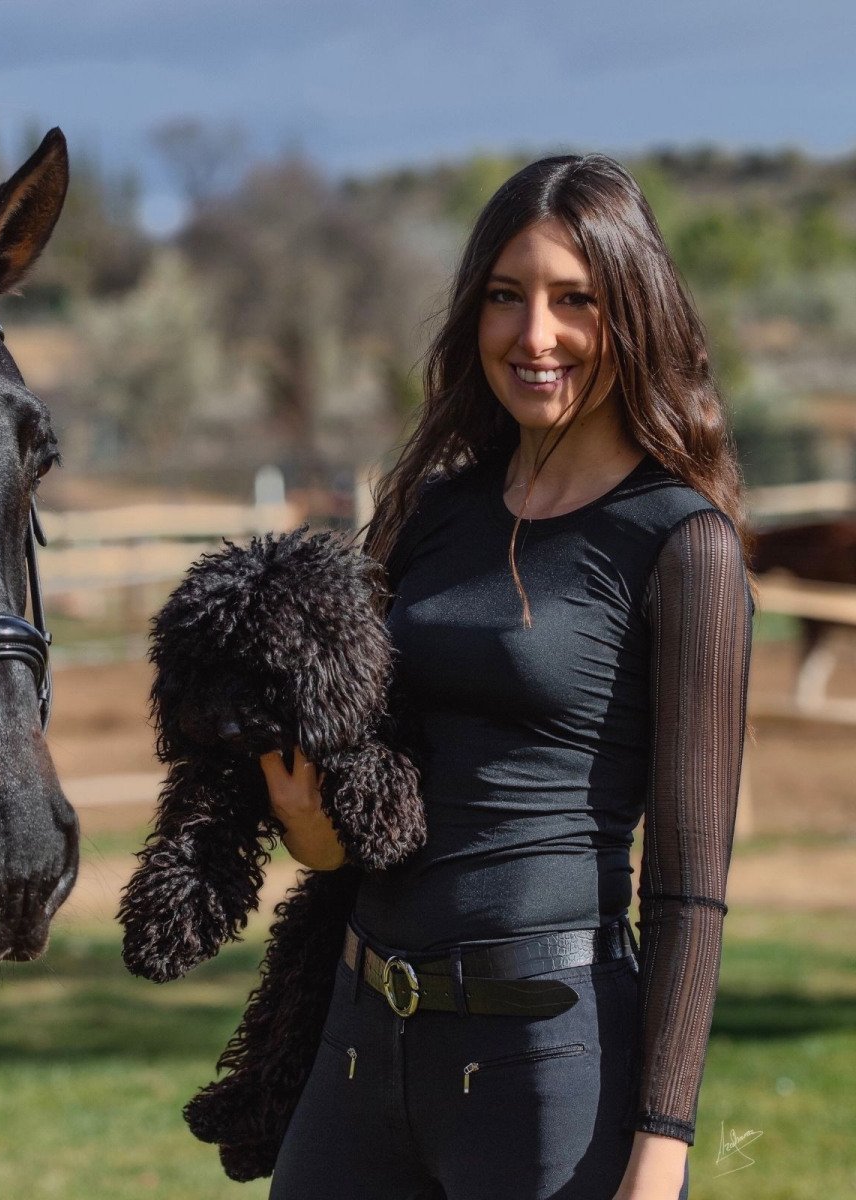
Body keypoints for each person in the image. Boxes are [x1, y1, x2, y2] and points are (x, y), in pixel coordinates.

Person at [260, 154, 755, 1200]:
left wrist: (658, 1152)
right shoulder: (438, 510)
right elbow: (382, 779)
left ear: (635, 310)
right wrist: (312, 831)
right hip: (362, 1045)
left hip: (548, 1063)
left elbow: (688, 888)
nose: (535, 337)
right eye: (505, 297)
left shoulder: (682, 544)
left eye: (575, 301)